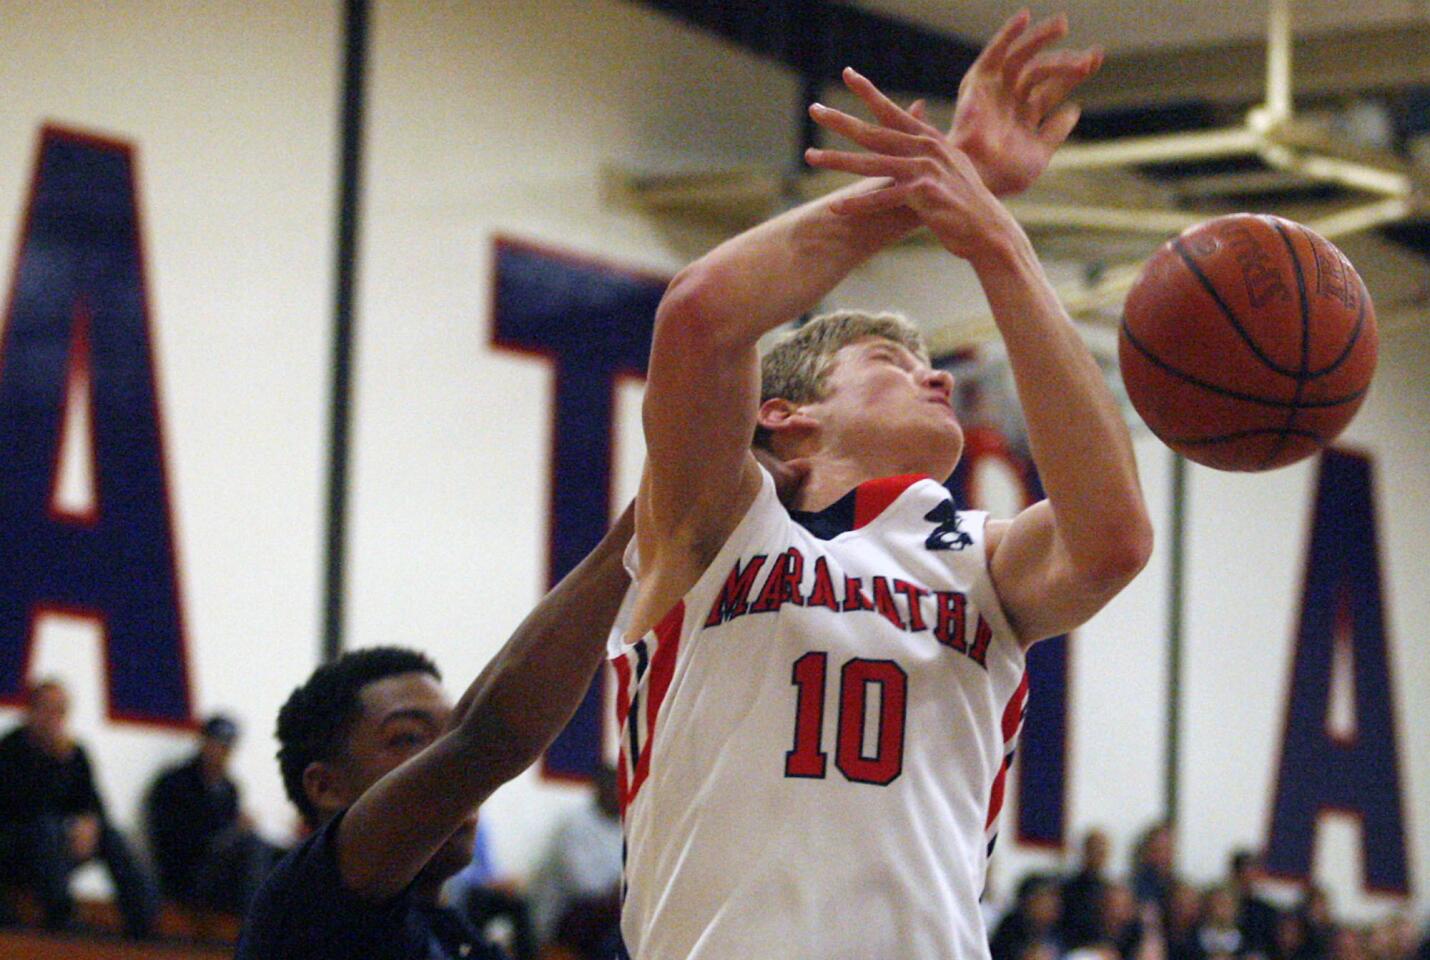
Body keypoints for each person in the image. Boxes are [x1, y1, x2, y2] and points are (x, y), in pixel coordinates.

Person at [614, 9, 1151, 960]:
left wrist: (996, 243)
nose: (936, 373)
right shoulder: (714, 525)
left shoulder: (982, 562)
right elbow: (700, 317)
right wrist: (940, 183)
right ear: (785, 412)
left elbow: (1113, 541)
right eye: (889, 360)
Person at [0, 679, 159, 939]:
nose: (53, 718)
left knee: (111, 835)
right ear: (31, 711)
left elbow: (94, 802)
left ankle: (142, 920)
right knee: (45, 829)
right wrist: (54, 766)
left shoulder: (74, 754)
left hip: (59, 842)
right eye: (47, 709)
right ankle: (60, 913)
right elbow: (21, 807)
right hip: (19, 846)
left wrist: (89, 823)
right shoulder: (11, 749)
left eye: (60, 711)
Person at [145, 713, 284, 916]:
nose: (221, 752)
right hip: (188, 877)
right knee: (253, 846)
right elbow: (173, 841)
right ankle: (255, 926)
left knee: (282, 854)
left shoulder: (229, 788)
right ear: (203, 743)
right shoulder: (174, 783)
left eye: (227, 747)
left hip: (220, 875)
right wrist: (231, 832)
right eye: (217, 744)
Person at [527, 765, 623, 958]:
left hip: (602, 915)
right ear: (599, 789)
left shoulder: (622, 827)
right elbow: (584, 887)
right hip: (563, 918)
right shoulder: (574, 825)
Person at [1063, 829, 1112, 949]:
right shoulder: (1069, 889)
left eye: (1101, 851)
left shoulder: (1110, 890)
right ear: (1084, 851)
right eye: (1094, 850)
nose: (1098, 855)